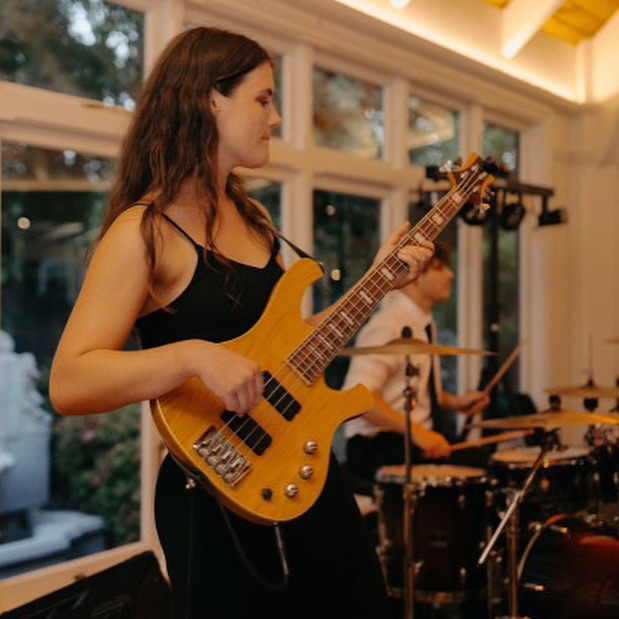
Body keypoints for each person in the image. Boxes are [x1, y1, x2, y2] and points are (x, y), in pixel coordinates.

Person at [48, 26, 436, 619]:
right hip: (213, 501)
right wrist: (193, 356)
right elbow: (70, 382)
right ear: (210, 100)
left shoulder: (253, 218)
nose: (275, 118)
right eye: (263, 99)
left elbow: (292, 354)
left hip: (305, 472)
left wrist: (379, 282)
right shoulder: (143, 232)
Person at [343, 240, 491, 490]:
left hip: (407, 437)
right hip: (376, 445)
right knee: (480, 469)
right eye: (440, 267)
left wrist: (456, 403)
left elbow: (410, 389)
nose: (450, 275)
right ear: (416, 275)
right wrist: (418, 434)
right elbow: (359, 397)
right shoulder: (388, 325)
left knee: (482, 459)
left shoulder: (422, 323)